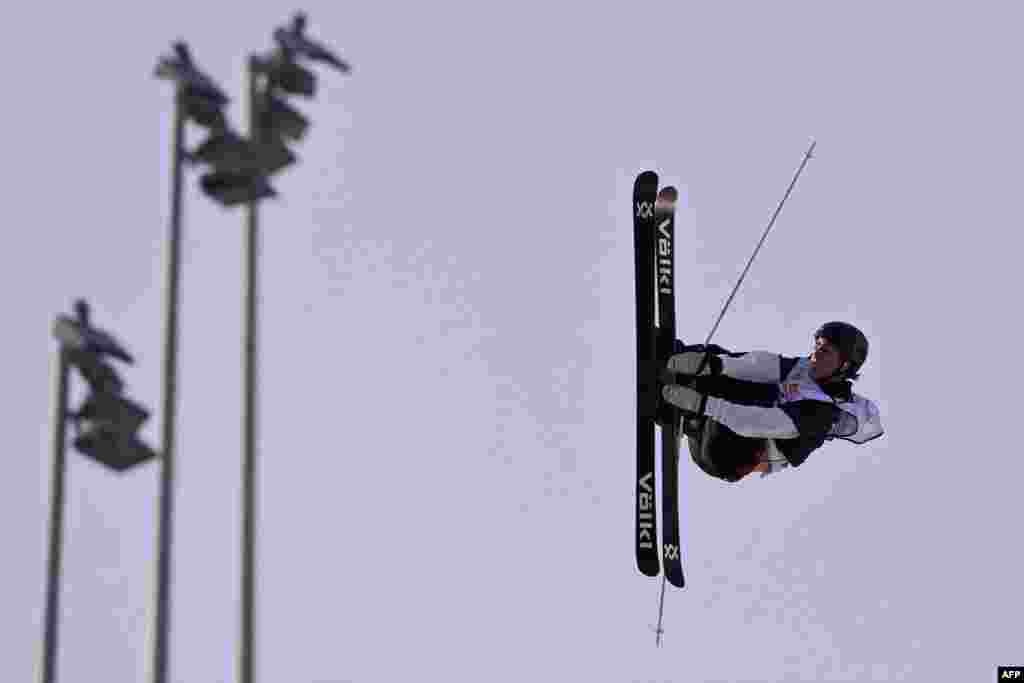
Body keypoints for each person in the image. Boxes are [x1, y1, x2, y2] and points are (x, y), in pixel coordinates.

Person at [659, 321, 884, 482]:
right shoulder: (801, 369)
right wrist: (713, 364)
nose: (815, 355)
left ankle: (686, 409)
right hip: (708, 433)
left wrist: (702, 404)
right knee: (724, 360)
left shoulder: (822, 413)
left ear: (843, 366)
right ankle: (666, 357)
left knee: (755, 394)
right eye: (816, 347)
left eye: (824, 352)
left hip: (729, 455)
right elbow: (756, 365)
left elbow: (760, 422)